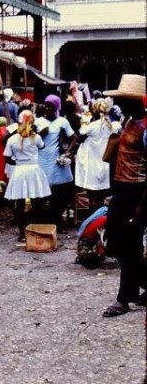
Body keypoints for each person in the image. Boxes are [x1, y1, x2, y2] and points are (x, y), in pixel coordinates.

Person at [101, 74, 147, 317]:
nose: (122, 105)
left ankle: (123, 299)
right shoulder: (128, 122)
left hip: (137, 192)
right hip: (121, 190)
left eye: (125, 101)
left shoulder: (146, 128)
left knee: (129, 246)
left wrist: (142, 206)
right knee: (115, 242)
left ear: (136, 101)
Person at [3, 110, 51, 241]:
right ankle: (36, 230)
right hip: (34, 170)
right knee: (37, 202)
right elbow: (42, 146)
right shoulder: (36, 137)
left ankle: (22, 233)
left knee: (19, 203)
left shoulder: (12, 139)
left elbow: (7, 157)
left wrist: (18, 161)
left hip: (19, 170)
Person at [35, 94, 77, 234]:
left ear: (57, 108)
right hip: (40, 159)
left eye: (51, 106)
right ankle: (42, 223)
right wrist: (41, 134)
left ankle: (57, 223)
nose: (48, 109)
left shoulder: (62, 122)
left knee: (58, 194)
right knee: (41, 193)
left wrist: (68, 152)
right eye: (46, 106)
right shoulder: (38, 122)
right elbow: (30, 140)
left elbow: (73, 137)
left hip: (55, 159)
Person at [74, 98, 121, 212]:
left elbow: (79, 137)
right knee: (101, 197)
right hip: (104, 166)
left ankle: (93, 221)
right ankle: (99, 220)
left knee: (92, 197)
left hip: (91, 167)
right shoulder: (112, 126)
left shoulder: (92, 126)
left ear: (95, 111)